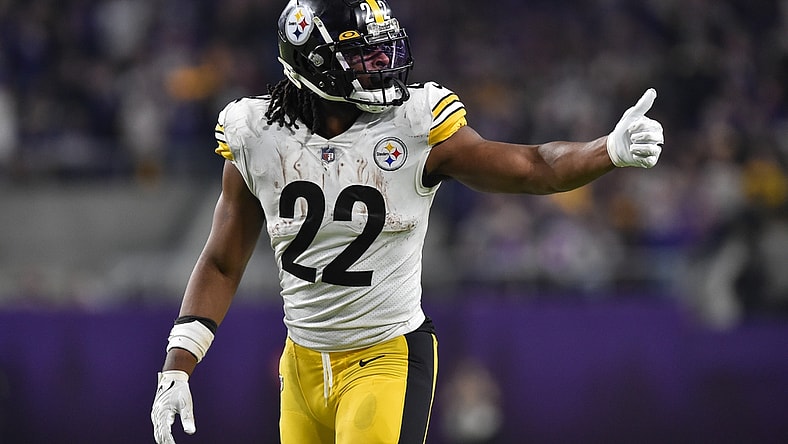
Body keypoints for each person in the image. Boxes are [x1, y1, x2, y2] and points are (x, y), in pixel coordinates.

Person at [150, 0, 664, 443]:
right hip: (301, 365)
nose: (383, 62)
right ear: (314, 61)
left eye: (384, 48)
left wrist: (608, 149)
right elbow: (222, 261)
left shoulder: (415, 126)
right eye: (363, 53)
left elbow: (533, 166)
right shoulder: (257, 133)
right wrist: (177, 366)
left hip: (386, 357)